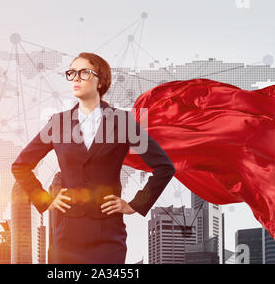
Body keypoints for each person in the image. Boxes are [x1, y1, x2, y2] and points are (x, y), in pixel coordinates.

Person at [11, 52, 176, 264]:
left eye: (84, 72)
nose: (76, 78)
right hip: (66, 236)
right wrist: (45, 200)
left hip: (108, 235)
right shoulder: (57, 123)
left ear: (101, 80)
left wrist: (135, 204)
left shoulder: (123, 122)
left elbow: (164, 167)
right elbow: (20, 166)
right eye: (71, 73)